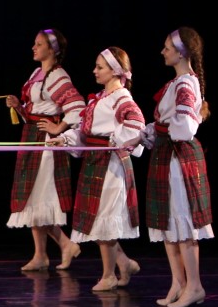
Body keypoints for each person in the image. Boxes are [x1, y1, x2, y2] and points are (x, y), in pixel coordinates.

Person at [41, 47, 144, 293]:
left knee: (104, 219)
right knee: (96, 220)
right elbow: (84, 130)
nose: (94, 71)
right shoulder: (100, 98)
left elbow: (137, 126)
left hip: (110, 164)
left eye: (100, 67)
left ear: (115, 71)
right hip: (94, 161)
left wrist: (114, 140)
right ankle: (124, 263)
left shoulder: (121, 98)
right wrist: (64, 139)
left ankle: (109, 276)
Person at [142, 26, 213, 307]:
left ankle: (194, 285)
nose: (163, 52)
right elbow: (166, 122)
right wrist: (145, 134)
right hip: (167, 154)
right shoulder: (177, 83)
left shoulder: (185, 84)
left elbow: (184, 127)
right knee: (169, 221)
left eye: (167, 48)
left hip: (178, 157)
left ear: (181, 53)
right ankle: (179, 282)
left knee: (183, 222)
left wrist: (162, 132)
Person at [3, 28, 85, 272]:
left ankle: (65, 244)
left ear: (53, 49)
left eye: (39, 44)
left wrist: (58, 127)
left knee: (40, 196)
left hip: (46, 141)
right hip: (31, 136)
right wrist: (19, 107)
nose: (34, 47)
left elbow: (77, 106)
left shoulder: (57, 76)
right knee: (32, 197)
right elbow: (34, 109)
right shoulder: (37, 73)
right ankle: (41, 255)